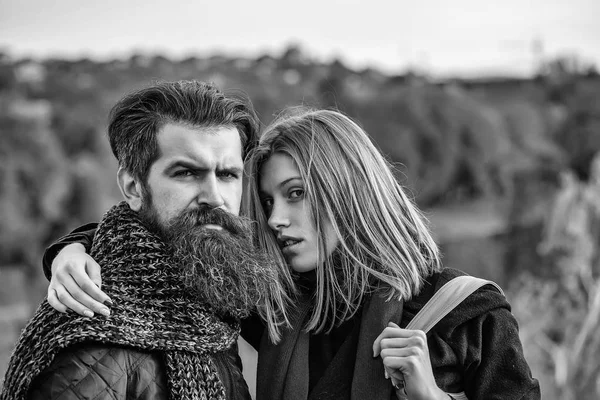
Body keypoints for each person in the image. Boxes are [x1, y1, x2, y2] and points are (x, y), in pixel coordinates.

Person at [39, 108, 541, 399]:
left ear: (350, 190)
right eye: (270, 200)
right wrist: (74, 250)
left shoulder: (466, 311)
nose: (276, 219)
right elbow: (166, 240)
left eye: (297, 194)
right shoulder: (270, 303)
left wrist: (429, 398)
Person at [1, 80, 290, 400]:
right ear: (133, 187)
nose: (214, 197)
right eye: (186, 173)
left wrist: (72, 246)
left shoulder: (214, 288)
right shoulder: (94, 346)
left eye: (227, 175)